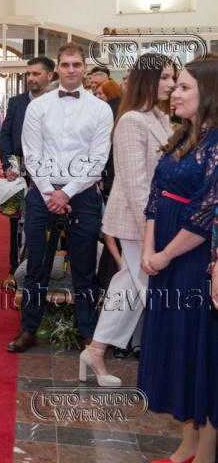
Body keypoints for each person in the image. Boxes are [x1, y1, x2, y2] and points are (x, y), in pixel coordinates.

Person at [7, 43, 113, 353]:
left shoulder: (101, 109)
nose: (71, 70)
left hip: (83, 195)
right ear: (57, 69)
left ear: (84, 68)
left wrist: (67, 192)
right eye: (65, 64)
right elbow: (31, 153)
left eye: (76, 64)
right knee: (37, 264)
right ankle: (28, 329)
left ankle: (88, 332)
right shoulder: (38, 107)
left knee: (84, 267)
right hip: (43, 193)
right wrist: (49, 191)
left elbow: (98, 159)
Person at [137, 57, 218, 463]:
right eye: (175, 85)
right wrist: (149, 250)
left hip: (194, 259)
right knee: (178, 349)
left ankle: (206, 452)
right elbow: (156, 197)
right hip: (165, 258)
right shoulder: (182, 137)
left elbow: (208, 212)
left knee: (200, 350)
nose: (174, 92)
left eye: (185, 87)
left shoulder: (216, 144)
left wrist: (166, 254)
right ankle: (188, 443)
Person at [80, 54, 175, 385]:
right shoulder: (133, 120)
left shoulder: (160, 116)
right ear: (148, 80)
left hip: (149, 217)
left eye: (173, 77)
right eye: (165, 77)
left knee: (129, 285)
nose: (172, 84)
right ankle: (170, 363)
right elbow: (135, 183)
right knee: (150, 289)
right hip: (137, 220)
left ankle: (95, 351)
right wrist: (152, 228)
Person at [0, 57, 55, 289]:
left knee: (49, 222)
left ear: (49, 76)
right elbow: (6, 134)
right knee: (16, 222)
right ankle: (14, 268)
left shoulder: (58, 102)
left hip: (52, 173)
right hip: (20, 171)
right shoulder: (17, 102)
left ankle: (49, 268)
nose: (30, 78)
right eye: (28, 74)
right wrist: (8, 165)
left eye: (36, 74)